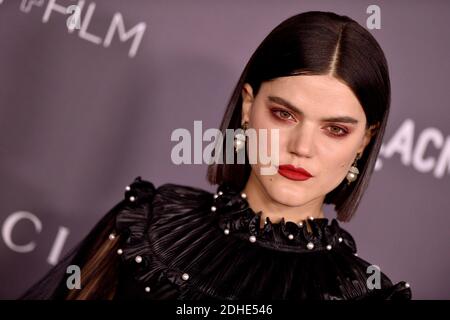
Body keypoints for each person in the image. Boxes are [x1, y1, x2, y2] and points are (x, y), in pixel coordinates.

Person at [21, 11, 412, 300]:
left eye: (336, 130)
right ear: (248, 106)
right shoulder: (146, 226)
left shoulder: (366, 295)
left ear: (364, 140)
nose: (302, 147)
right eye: (284, 114)